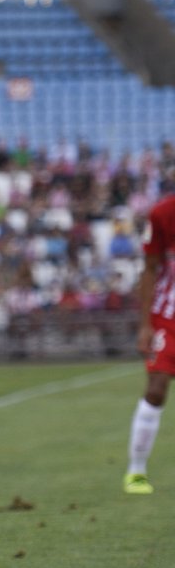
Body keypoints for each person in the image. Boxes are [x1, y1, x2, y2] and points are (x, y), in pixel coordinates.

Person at [125, 192, 175, 495]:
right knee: (156, 389)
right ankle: (136, 471)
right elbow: (149, 268)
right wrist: (145, 324)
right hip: (167, 317)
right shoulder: (163, 213)